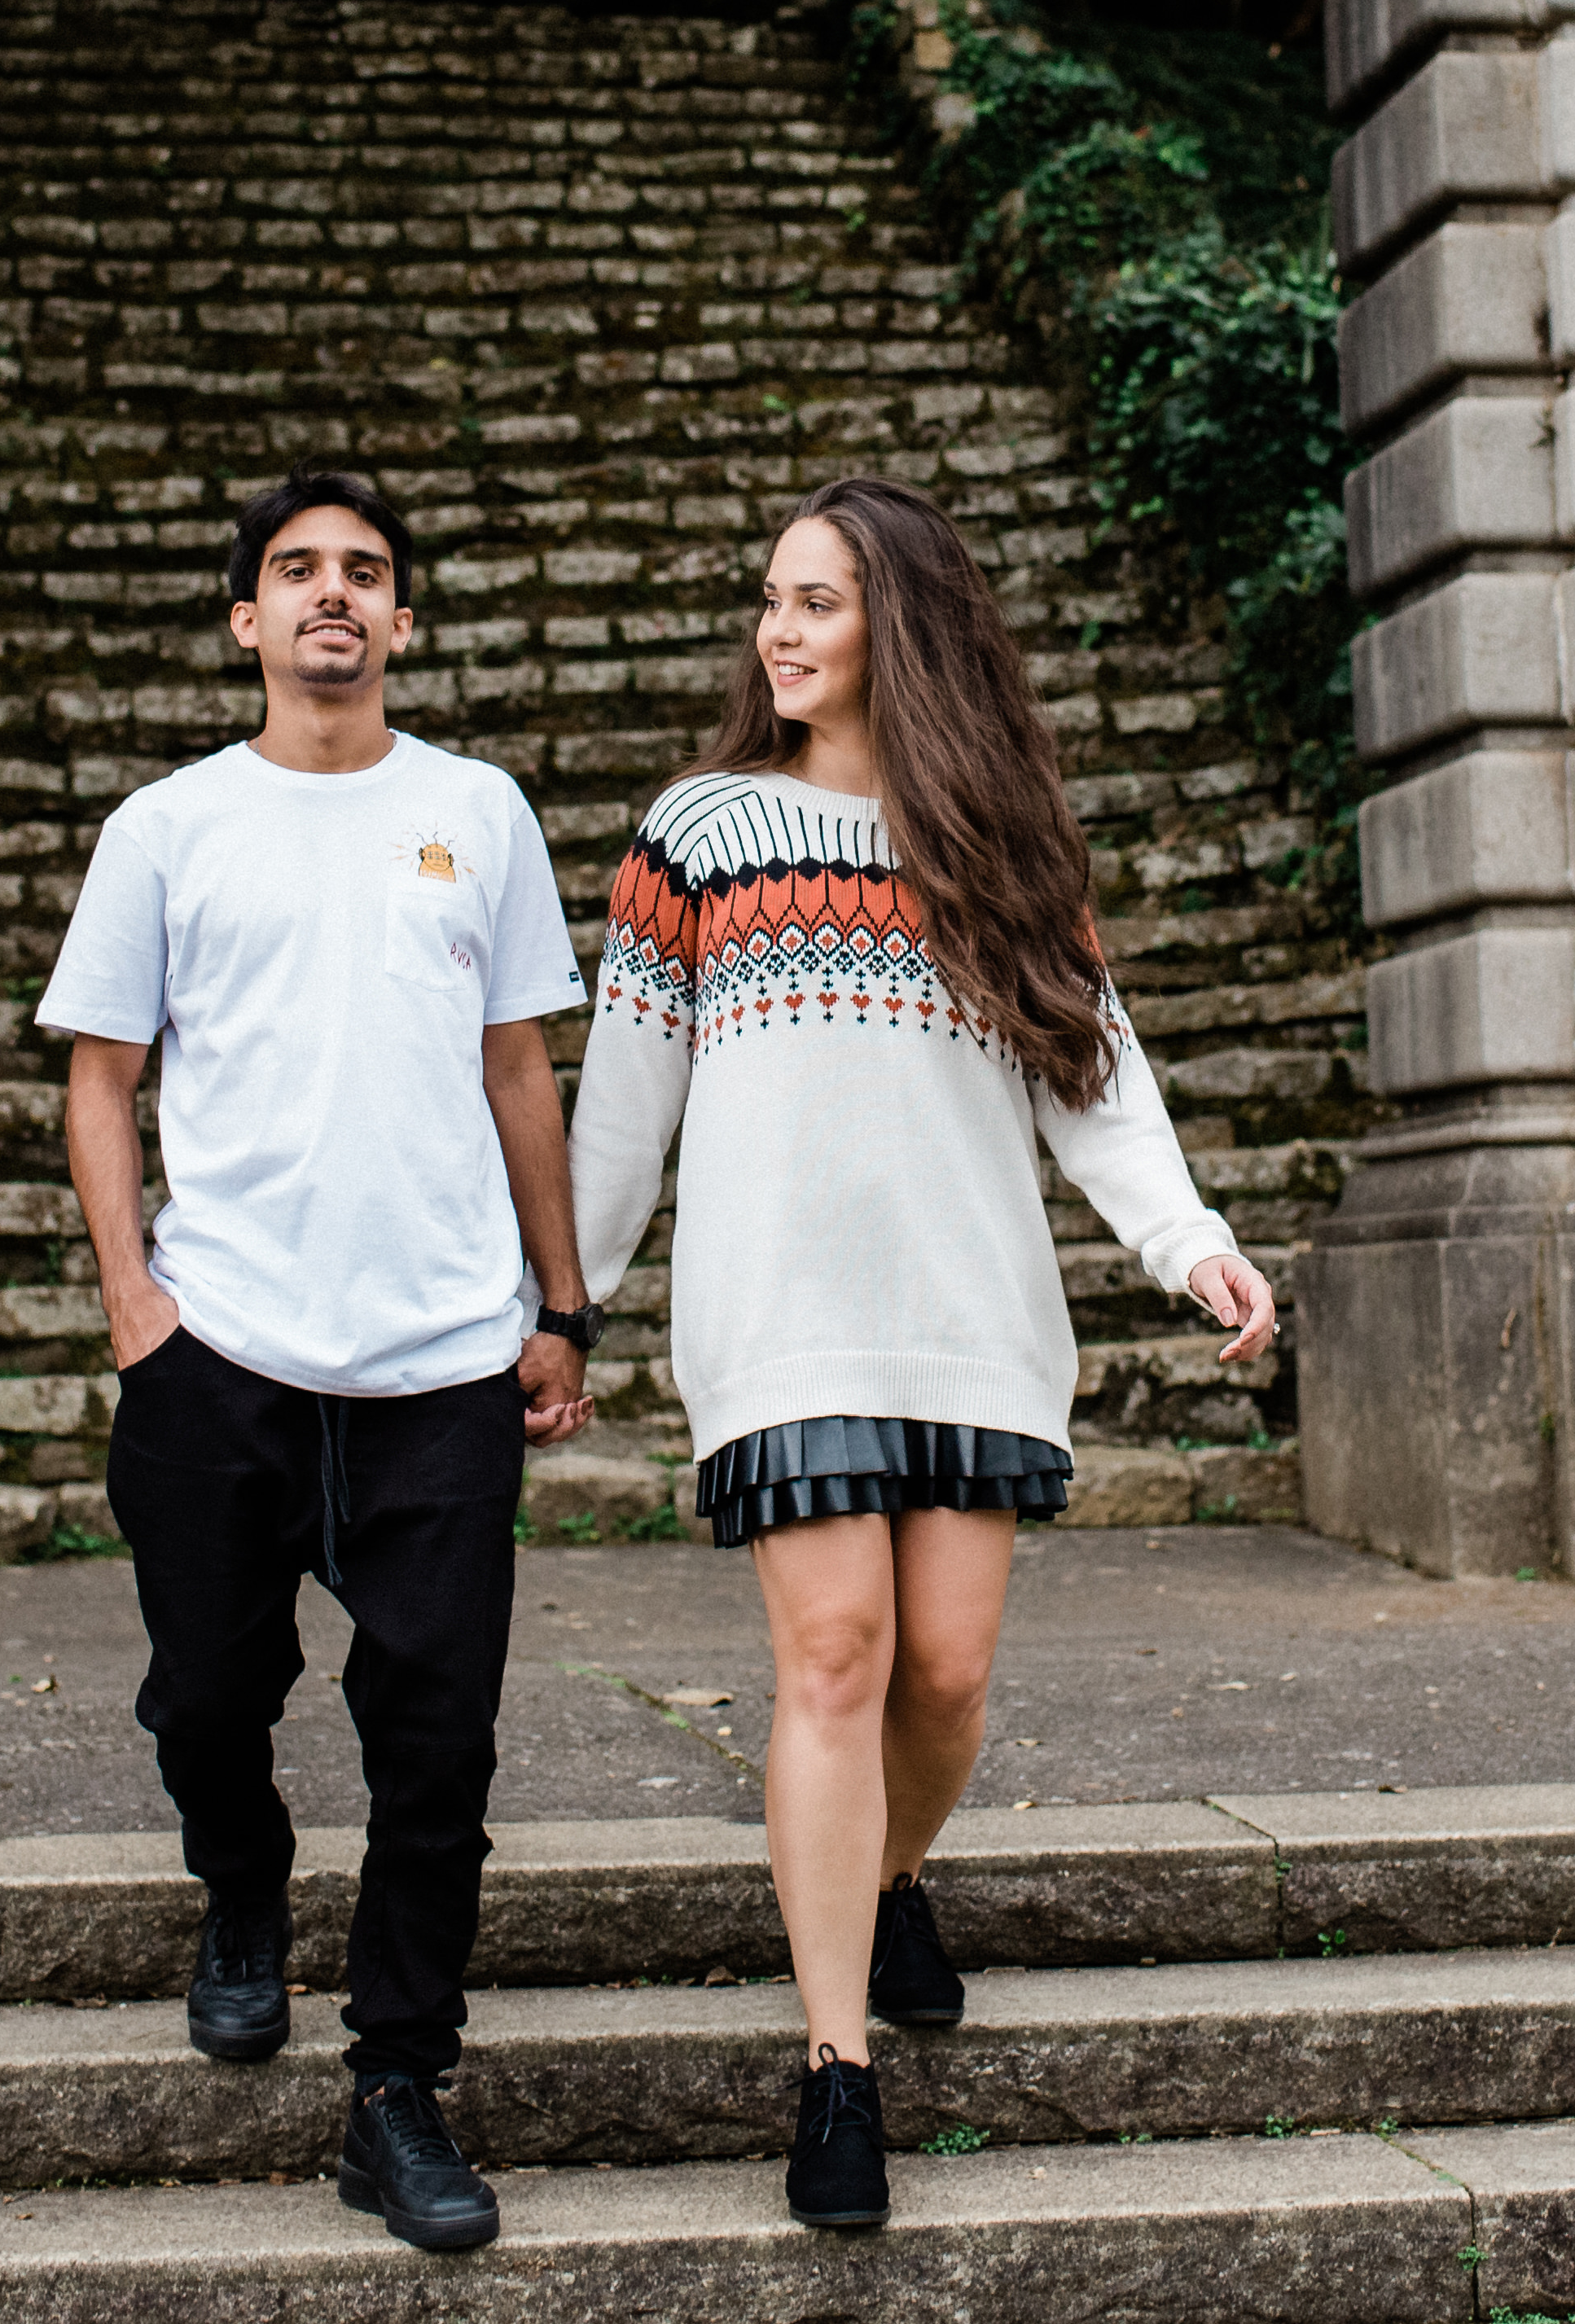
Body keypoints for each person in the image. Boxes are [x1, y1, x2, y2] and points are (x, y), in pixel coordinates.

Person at [564, 474, 1278, 2230]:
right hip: (778, 1316)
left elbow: (1094, 1082)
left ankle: (877, 1876)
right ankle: (833, 2071)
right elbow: (623, 1114)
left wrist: (1190, 1246)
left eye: (811, 600)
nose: (775, 632)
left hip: (967, 1316)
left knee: (941, 1681)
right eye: (768, 602)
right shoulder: (700, 835)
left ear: (903, 616)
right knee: (834, 1656)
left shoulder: (999, 843)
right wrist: (561, 1304)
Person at [36, 467, 603, 2255]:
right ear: (246, 620)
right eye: (297, 572)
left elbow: (521, 1063)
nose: (331, 596)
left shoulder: (477, 808)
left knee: (437, 1744)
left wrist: (562, 1302)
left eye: (364, 573)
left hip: (441, 1360)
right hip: (225, 1354)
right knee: (210, 1697)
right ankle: (241, 1883)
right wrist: (139, 1309)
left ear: (403, 621)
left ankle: (394, 2087)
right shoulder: (167, 826)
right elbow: (98, 1081)